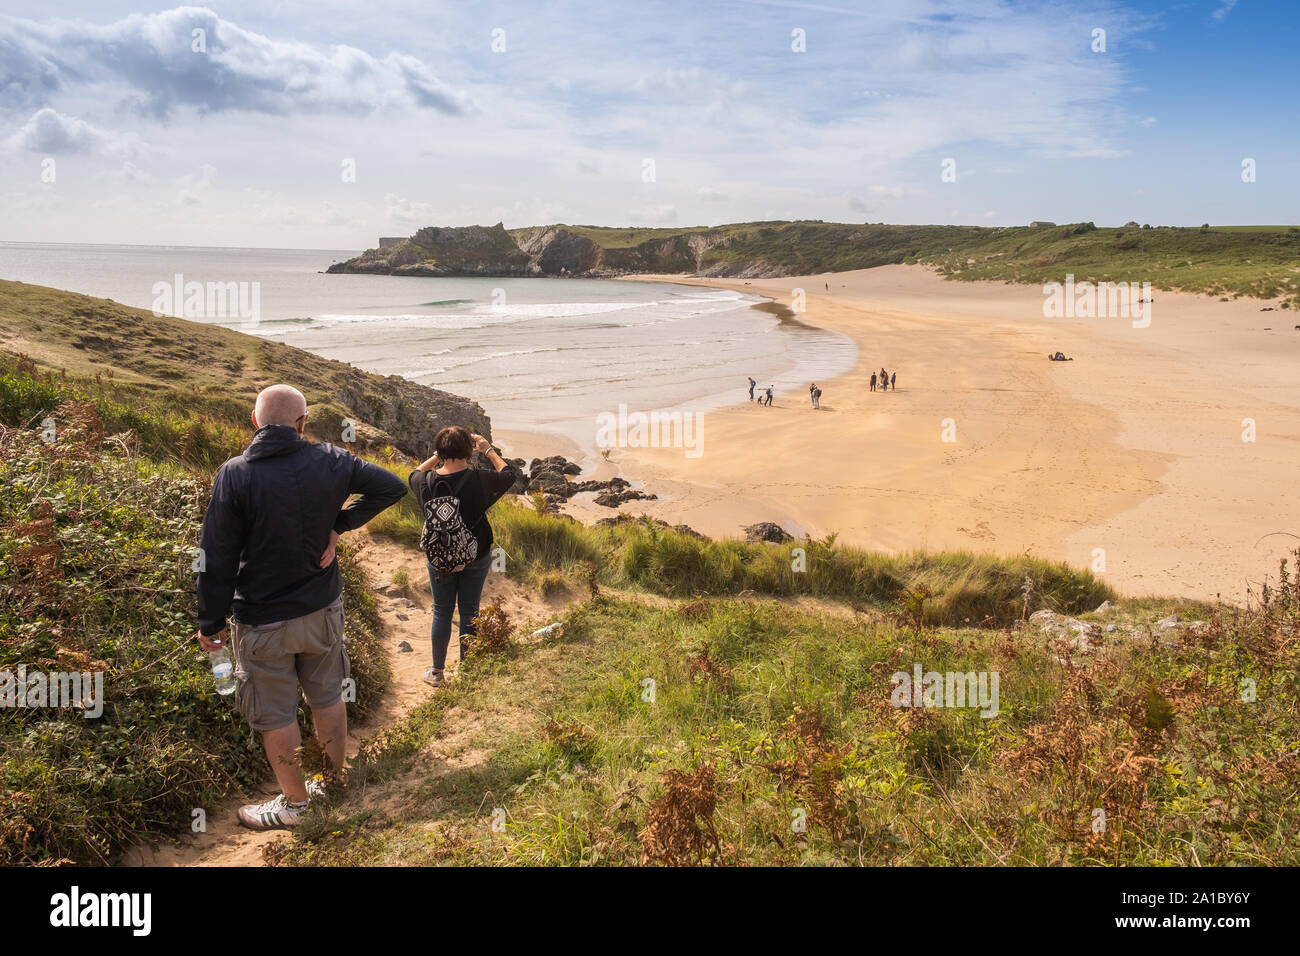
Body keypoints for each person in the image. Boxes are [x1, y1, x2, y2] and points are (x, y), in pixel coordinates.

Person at [196, 384, 407, 830]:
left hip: (261, 619)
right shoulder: (333, 459)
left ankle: (295, 806)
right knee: (327, 695)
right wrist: (339, 525)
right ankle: (330, 783)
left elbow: (216, 556)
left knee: (275, 712)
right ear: (302, 423)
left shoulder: (234, 473)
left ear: (255, 422)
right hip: (321, 609)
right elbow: (392, 487)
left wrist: (210, 621)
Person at [409, 427, 520, 688]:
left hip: (439, 557)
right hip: (476, 553)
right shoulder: (480, 479)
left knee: (442, 612)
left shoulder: (424, 482)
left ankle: (437, 672)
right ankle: (469, 671)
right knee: (470, 611)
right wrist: (488, 449)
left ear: (441, 451)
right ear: (469, 451)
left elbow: (415, 471)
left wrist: (439, 455)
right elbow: (509, 474)